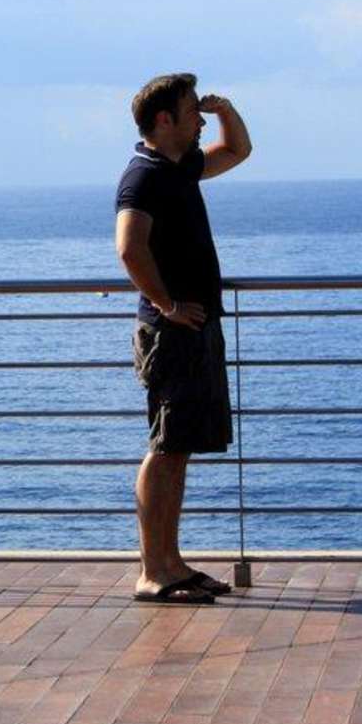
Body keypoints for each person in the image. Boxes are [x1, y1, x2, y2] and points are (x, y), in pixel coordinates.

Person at [114, 73, 252, 604]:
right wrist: (168, 306)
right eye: (193, 110)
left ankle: (172, 564)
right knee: (166, 447)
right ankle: (153, 572)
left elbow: (237, 151)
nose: (200, 120)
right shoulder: (143, 176)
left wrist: (225, 109)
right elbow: (129, 248)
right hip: (171, 331)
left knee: (179, 449)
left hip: (192, 325)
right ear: (164, 119)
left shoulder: (181, 167)